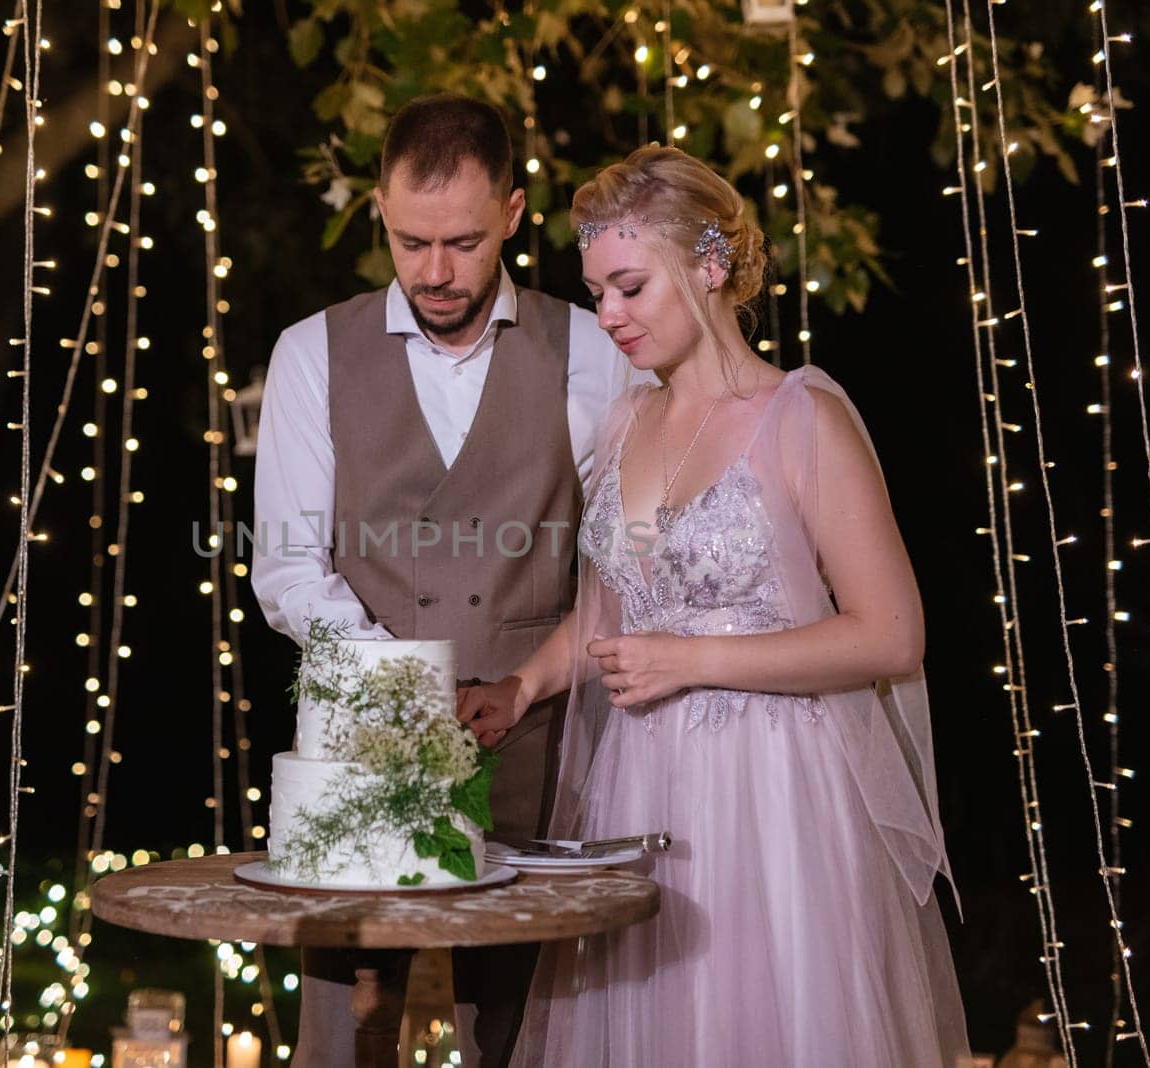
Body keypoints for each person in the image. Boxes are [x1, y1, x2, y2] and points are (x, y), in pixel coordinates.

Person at [457, 145, 971, 1065]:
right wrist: (525, 686)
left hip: (774, 794)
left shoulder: (800, 418)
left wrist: (691, 660)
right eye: (597, 293)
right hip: (643, 789)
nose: (608, 316)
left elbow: (892, 635)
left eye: (629, 288)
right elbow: (623, 606)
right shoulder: (627, 425)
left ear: (710, 265)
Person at [250, 94, 636, 1068]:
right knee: (345, 1030)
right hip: (361, 739)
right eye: (408, 241)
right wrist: (404, 684)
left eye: (461, 243)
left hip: (540, 735)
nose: (433, 272)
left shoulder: (589, 350)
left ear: (512, 213)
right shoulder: (310, 354)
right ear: (379, 208)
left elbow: (624, 553)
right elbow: (288, 565)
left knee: (518, 1026)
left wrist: (535, 679)